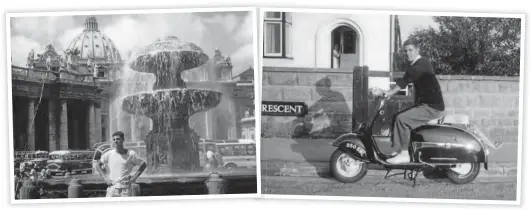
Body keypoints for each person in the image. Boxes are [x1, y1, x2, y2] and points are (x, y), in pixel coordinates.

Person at [383, 38, 445, 164]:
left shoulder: (423, 63)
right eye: (405, 51)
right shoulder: (415, 65)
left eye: (410, 50)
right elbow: (406, 79)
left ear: (417, 50)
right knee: (397, 116)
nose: (408, 54)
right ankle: (397, 149)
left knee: (402, 119)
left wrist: (389, 93)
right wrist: (387, 93)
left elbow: (405, 80)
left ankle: (404, 154)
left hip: (432, 108)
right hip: (426, 106)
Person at [93, 131, 147, 197]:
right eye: (114, 139)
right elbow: (98, 165)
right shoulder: (109, 154)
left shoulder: (131, 154)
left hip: (125, 189)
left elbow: (143, 164)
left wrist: (134, 177)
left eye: (118, 139)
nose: (115, 141)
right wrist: (105, 178)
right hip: (112, 188)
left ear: (123, 140)